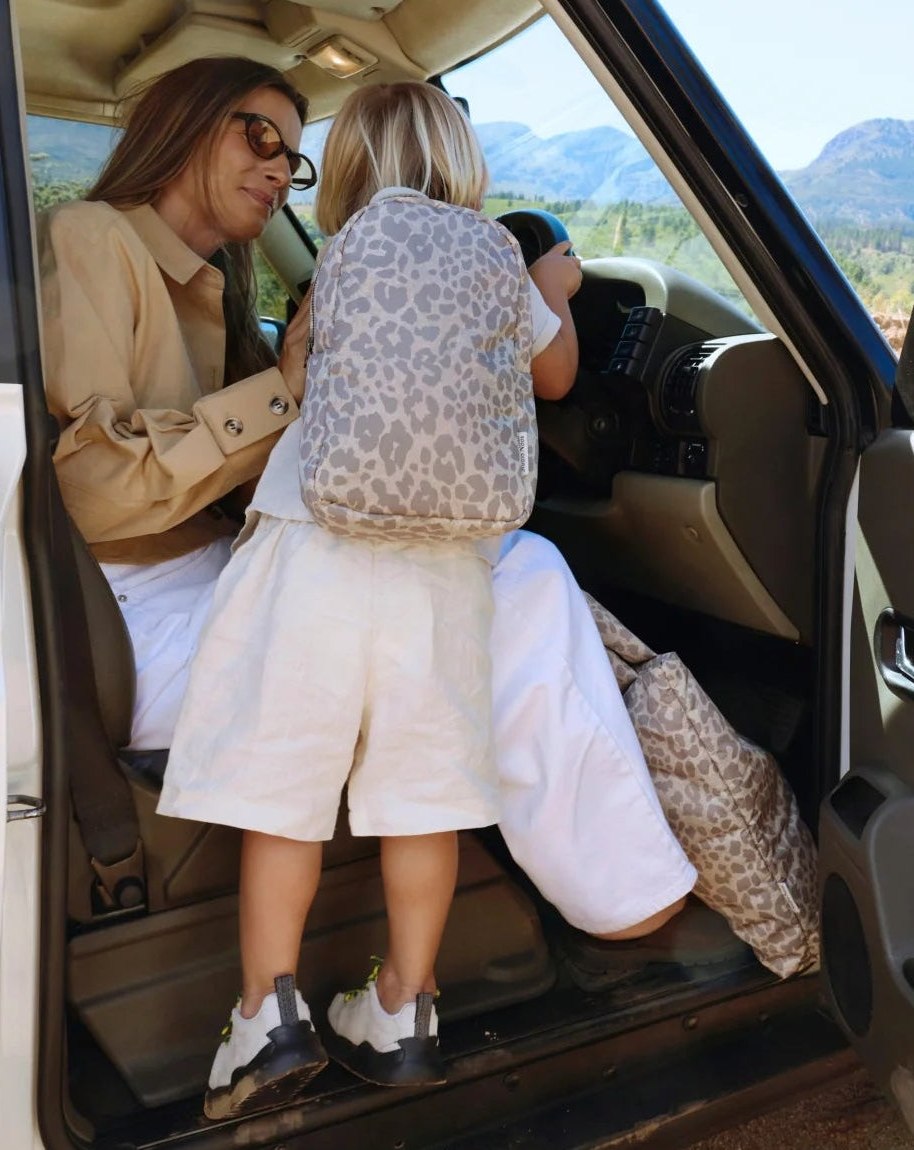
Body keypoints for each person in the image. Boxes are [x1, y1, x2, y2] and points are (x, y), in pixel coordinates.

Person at [38, 49, 698, 1103]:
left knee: (302, 786)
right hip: (127, 609)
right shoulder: (93, 238)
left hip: (242, 571)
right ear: (183, 123)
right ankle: (598, 912)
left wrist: (287, 380)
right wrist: (285, 385)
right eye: (257, 134)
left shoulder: (266, 277)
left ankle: (269, 1012)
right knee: (517, 587)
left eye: (295, 157)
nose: (277, 167)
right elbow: (90, 486)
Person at [158, 78, 587, 1117]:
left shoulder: (344, 251)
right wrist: (557, 288)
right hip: (442, 564)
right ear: (462, 165)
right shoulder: (495, 253)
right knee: (425, 791)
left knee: (284, 791)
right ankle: (405, 1007)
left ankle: (266, 1017)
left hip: (315, 544)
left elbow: (308, 372)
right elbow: (558, 379)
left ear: (348, 168)